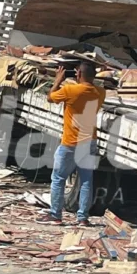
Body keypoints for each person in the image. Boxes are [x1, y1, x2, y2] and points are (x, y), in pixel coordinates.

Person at [46, 60, 106, 226]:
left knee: (58, 178)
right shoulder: (100, 92)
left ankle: (55, 215)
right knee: (86, 181)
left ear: (78, 74)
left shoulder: (70, 90)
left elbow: (50, 98)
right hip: (90, 142)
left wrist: (58, 80)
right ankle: (82, 218)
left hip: (70, 143)